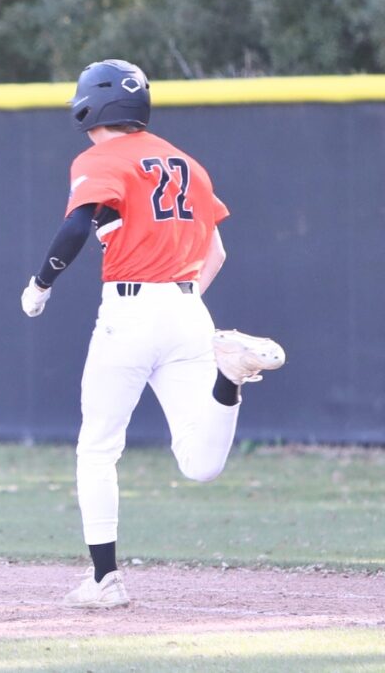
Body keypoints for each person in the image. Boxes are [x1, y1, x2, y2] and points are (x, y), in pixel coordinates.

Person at [20, 59, 285, 609]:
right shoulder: (187, 162)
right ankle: (229, 380)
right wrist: (181, 304)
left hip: (130, 309)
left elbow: (76, 225)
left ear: (90, 104)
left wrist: (41, 282)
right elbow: (216, 251)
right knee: (199, 463)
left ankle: (105, 580)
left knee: (97, 448)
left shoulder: (101, 156)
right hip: (191, 311)